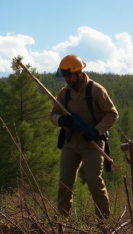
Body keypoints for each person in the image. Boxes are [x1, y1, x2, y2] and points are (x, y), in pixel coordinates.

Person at [51, 54, 118, 218]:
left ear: (79, 72)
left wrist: (95, 131)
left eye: (69, 76)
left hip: (92, 146)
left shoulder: (96, 90)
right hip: (70, 146)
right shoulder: (64, 93)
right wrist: (61, 120)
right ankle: (62, 222)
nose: (67, 80)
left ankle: (104, 224)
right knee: (64, 184)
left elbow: (112, 114)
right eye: (65, 77)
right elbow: (53, 115)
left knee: (95, 183)